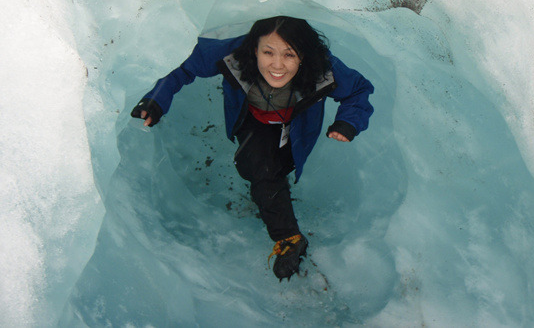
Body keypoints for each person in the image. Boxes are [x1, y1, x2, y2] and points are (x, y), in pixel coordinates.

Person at [131, 16, 374, 280]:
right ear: (254, 49)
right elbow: (181, 64)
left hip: (297, 126)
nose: (277, 65)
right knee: (258, 167)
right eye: (268, 52)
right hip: (252, 119)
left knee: (274, 170)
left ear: (303, 55)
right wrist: (155, 101)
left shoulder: (323, 67)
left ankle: (272, 193)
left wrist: (349, 122)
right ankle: (289, 236)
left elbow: (358, 90)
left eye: (289, 54)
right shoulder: (232, 55)